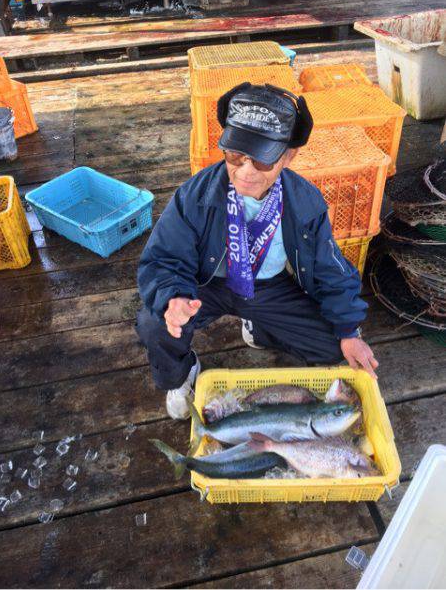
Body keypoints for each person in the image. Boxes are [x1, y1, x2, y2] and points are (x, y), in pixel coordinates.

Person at [136, 83, 378, 420]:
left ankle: (259, 327)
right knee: (154, 322)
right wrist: (173, 296)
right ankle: (182, 374)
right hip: (206, 287)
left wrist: (349, 331)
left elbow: (330, 269)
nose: (246, 171)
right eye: (235, 155)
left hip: (268, 286)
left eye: (262, 161)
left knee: (330, 343)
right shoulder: (195, 195)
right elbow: (164, 257)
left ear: (288, 156)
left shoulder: (305, 203)